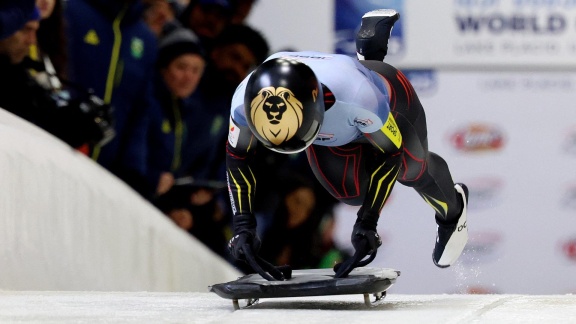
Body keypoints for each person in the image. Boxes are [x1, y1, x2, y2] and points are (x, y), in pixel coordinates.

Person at [225, 9, 469, 281]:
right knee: (351, 194)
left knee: (412, 170)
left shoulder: (359, 98)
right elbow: (238, 159)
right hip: (339, 128)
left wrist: (368, 222)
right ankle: (365, 59)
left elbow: (392, 153)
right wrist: (243, 227)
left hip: (386, 102)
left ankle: (453, 211)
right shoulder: (242, 104)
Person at [0, 8, 113, 149]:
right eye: (25, 30)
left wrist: (75, 123)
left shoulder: (22, 68)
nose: (31, 41)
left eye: (35, 31)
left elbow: (40, 115)